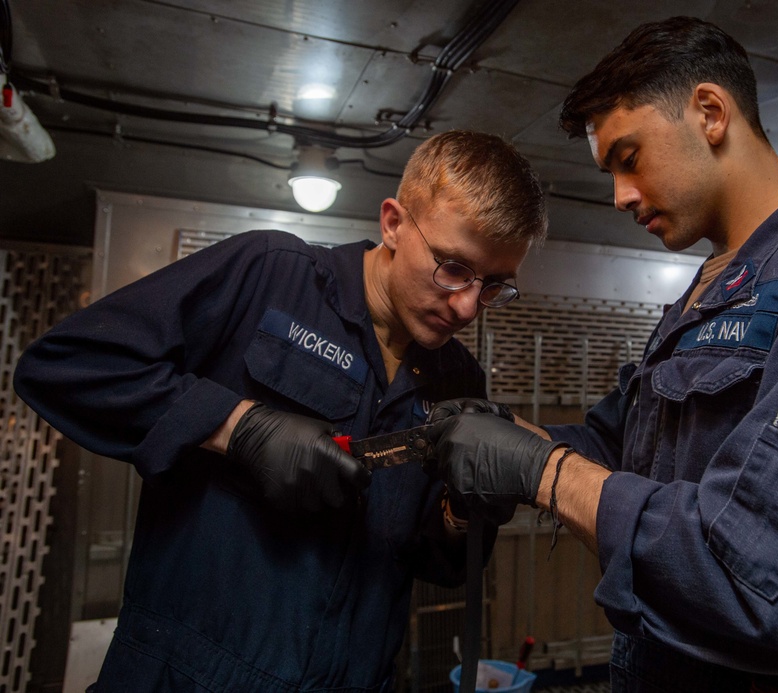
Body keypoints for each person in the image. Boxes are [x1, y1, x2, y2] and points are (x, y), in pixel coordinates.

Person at [425, 17, 778, 692]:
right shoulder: (711, 290)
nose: (620, 196)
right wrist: (502, 437)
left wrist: (544, 472)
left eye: (629, 158)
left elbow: (771, 588)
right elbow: (618, 441)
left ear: (710, 112)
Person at [13, 130, 547, 692]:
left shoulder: (457, 379)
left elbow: (435, 566)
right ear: (393, 223)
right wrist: (237, 427)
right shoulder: (270, 275)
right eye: (453, 268)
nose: (467, 306)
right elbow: (67, 366)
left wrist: (464, 513)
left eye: (493, 286)